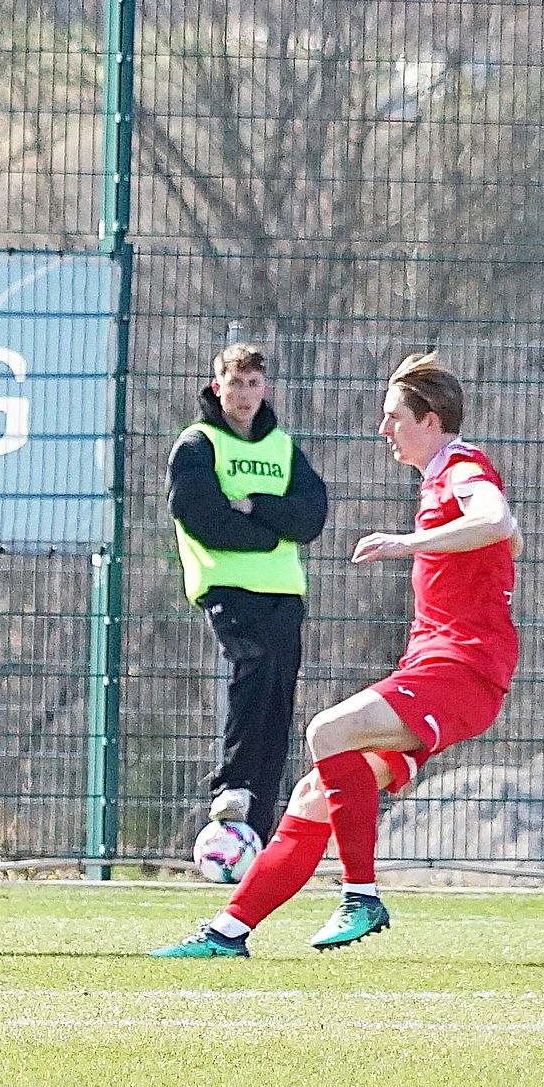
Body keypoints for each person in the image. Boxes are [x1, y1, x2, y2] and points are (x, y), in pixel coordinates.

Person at [154, 352, 520, 958]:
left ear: (430, 421)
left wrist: (406, 543)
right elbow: (505, 537)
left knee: (327, 731)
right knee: (312, 796)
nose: (384, 429)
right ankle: (227, 932)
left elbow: (496, 519)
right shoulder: (440, 478)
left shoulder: (462, 466)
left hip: (462, 671)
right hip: (435, 666)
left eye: (394, 417)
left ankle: (361, 895)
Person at [168, 342, 327, 841]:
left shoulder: (283, 448)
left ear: (265, 389)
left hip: (283, 590)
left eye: (253, 384)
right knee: (253, 666)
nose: (243, 394)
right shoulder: (198, 445)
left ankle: (258, 822)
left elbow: (310, 516)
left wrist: (257, 505)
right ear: (217, 387)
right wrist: (269, 535)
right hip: (226, 584)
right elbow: (202, 517)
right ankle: (232, 784)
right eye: (235, 383)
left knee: (278, 695)